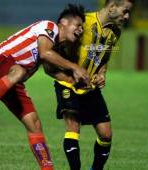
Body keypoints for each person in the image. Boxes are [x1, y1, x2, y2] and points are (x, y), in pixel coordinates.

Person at [0, 4, 88, 170]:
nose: (81, 30)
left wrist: (75, 81)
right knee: (19, 71)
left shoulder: (55, 47)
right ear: (64, 22)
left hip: (11, 80)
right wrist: (74, 67)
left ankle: (47, 169)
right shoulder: (49, 26)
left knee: (34, 124)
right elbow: (45, 53)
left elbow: (50, 70)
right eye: (78, 25)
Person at [43, 0, 133, 169]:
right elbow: (55, 48)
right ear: (112, 7)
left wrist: (101, 74)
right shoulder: (83, 22)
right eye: (125, 11)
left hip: (90, 86)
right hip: (67, 84)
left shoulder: (115, 32)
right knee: (73, 127)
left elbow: (103, 59)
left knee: (106, 135)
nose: (127, 16)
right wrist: (66, 74)